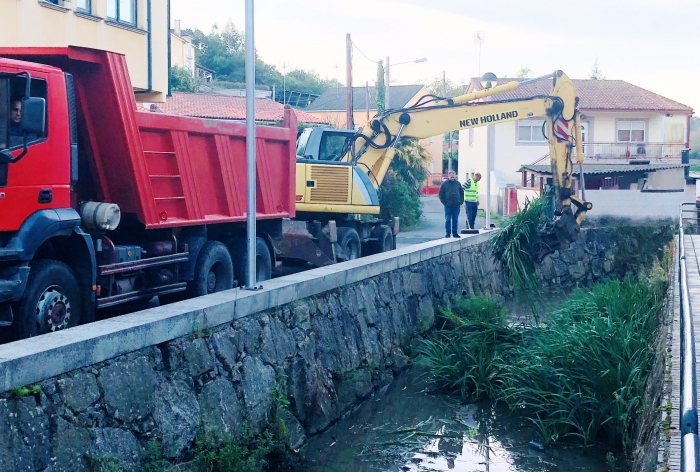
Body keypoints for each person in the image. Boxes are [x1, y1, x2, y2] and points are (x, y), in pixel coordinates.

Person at [438, 170, 464, 238]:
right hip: (448, 206)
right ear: (448, 176)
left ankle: (455, 233)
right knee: (448, 219)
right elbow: (441, 194)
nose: (452, 177)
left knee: (455, 219)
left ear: (455, 176)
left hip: (456, 205)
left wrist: (461, 201)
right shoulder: (444, 184)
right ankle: (448, 233)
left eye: (453, 176)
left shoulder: (458, 184)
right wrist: (445, 202)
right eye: (451, 176)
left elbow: (461, 193)